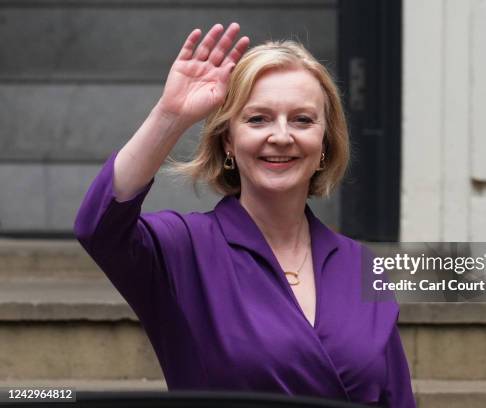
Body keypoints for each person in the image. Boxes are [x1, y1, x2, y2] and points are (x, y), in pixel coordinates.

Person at [73, 23, 416, 407]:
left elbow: (396, 397)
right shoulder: (185, 248)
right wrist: (170, 117)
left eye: (302, 120)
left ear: (324, 143)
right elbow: (98, 226)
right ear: (229, 142)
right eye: (258, 119)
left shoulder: (360, 265)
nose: (282, 136)